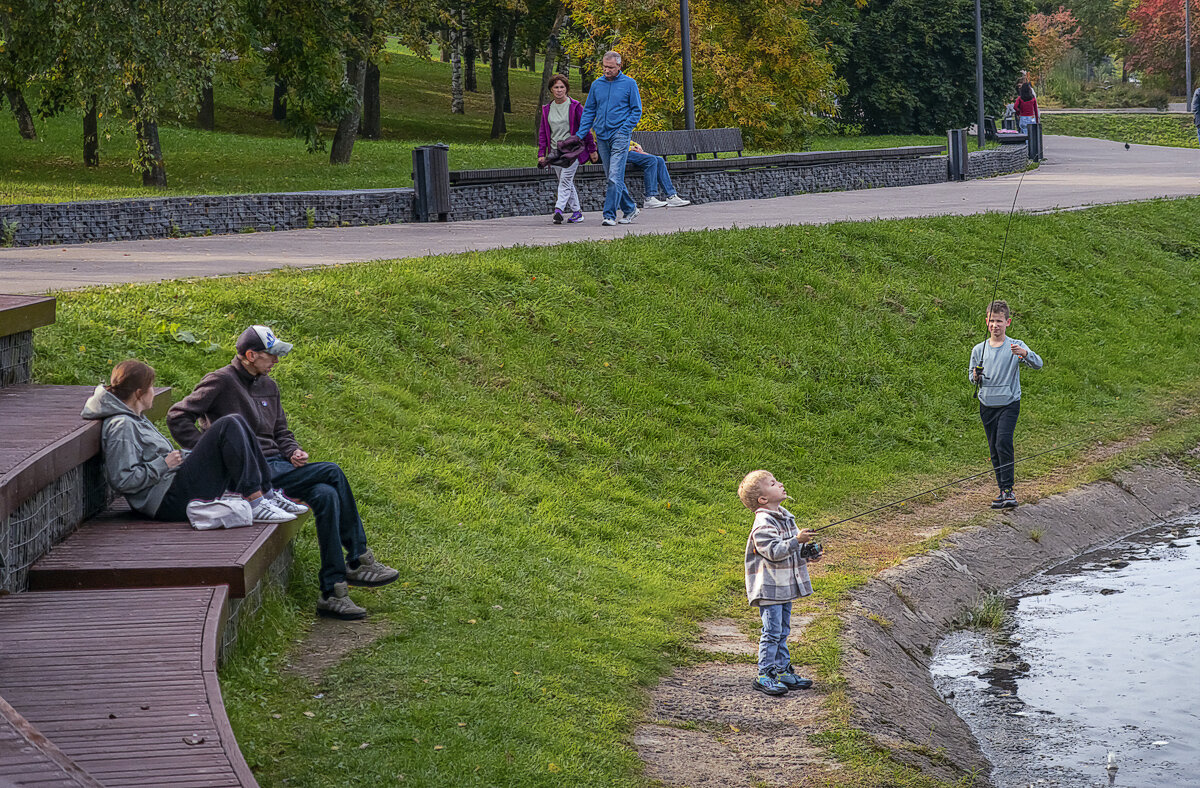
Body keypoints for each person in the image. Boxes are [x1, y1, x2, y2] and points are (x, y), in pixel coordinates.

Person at [167, 325, 399, 621]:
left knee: (326, 494)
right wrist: (211, 452)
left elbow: (281, 431)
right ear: (250, 355)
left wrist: (292, 451)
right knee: (332, 471)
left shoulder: (269, 385)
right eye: (271, 355)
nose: (276, 360)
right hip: (249, 472)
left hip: (278, 466)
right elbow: (177, 415)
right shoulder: (221, 381)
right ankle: (358, 558)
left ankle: (333, 593)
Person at [81, 359, 299, 524]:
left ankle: (266, 494)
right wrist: (163, 464)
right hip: (166, 502)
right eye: (151, 387)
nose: (154, 392)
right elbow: (122, 480)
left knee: (236, 421)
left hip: (173, 487)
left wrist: (184, 458)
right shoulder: (122, 426)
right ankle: (256, 501)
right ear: (139, 393)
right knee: (229, 424)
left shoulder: (135, 418)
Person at [738, 469, 820, 697]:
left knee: (782, 631)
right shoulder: (763, 523)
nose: (781, 484)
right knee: (772, 632)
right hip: (770, 588)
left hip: (783, 587)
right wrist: (797, 540)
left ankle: (783, 671)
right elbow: (774, 551)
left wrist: (809, 552)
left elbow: (792, 551)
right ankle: (764, 675)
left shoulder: (785, 517)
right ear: (763, 499)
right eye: (773, 483)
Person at [969, 301, 1044, 510]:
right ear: (986, 322)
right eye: (992, 321)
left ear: (1008, 322)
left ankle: (1009, 490)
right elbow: (971, 377)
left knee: (1003, 442)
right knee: (994, 448)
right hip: (987, 404)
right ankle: (1002, 490)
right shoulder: (978, 349)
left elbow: (1038, 364)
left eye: (999, 321)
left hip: (1009, 403)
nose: (995, 325)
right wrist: (975, 376)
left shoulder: (1015, 346)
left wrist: (1024, 354)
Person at [577, 50, 642, 227]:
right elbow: (589, 110)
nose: (607, 70)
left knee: (614, 175)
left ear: (619, 66)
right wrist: (580, 134)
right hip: (602, 136)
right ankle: (630, 208)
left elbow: (636, 110)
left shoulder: (629, 84)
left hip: (620, 135)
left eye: (611, 67)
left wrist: (624, 130)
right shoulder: (597, 85)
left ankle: (609, 215)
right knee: (612, 176)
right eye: (605, 67)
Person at [537, 73, 595, 224]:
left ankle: (558, 210)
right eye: (556, 87)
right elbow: (543, 132)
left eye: (562, 87)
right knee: (567, 183)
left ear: (566, 89)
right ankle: (577, 212)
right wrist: (541, 153)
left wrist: (592, 149)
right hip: (555, 153)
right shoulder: (547, 109)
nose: (559, 90)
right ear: (551, 89)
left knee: (565, 181)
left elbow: (585, 128)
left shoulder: (575, 106)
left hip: (572, 151)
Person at [626, 142, 691, 209]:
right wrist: (632, 148)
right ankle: (649, 198)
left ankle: (671, 196)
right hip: (621, 153)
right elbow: (618, 144)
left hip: (627, 150)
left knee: (660, 160)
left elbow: (626, 139)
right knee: (651, 160)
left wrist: (636, 145)